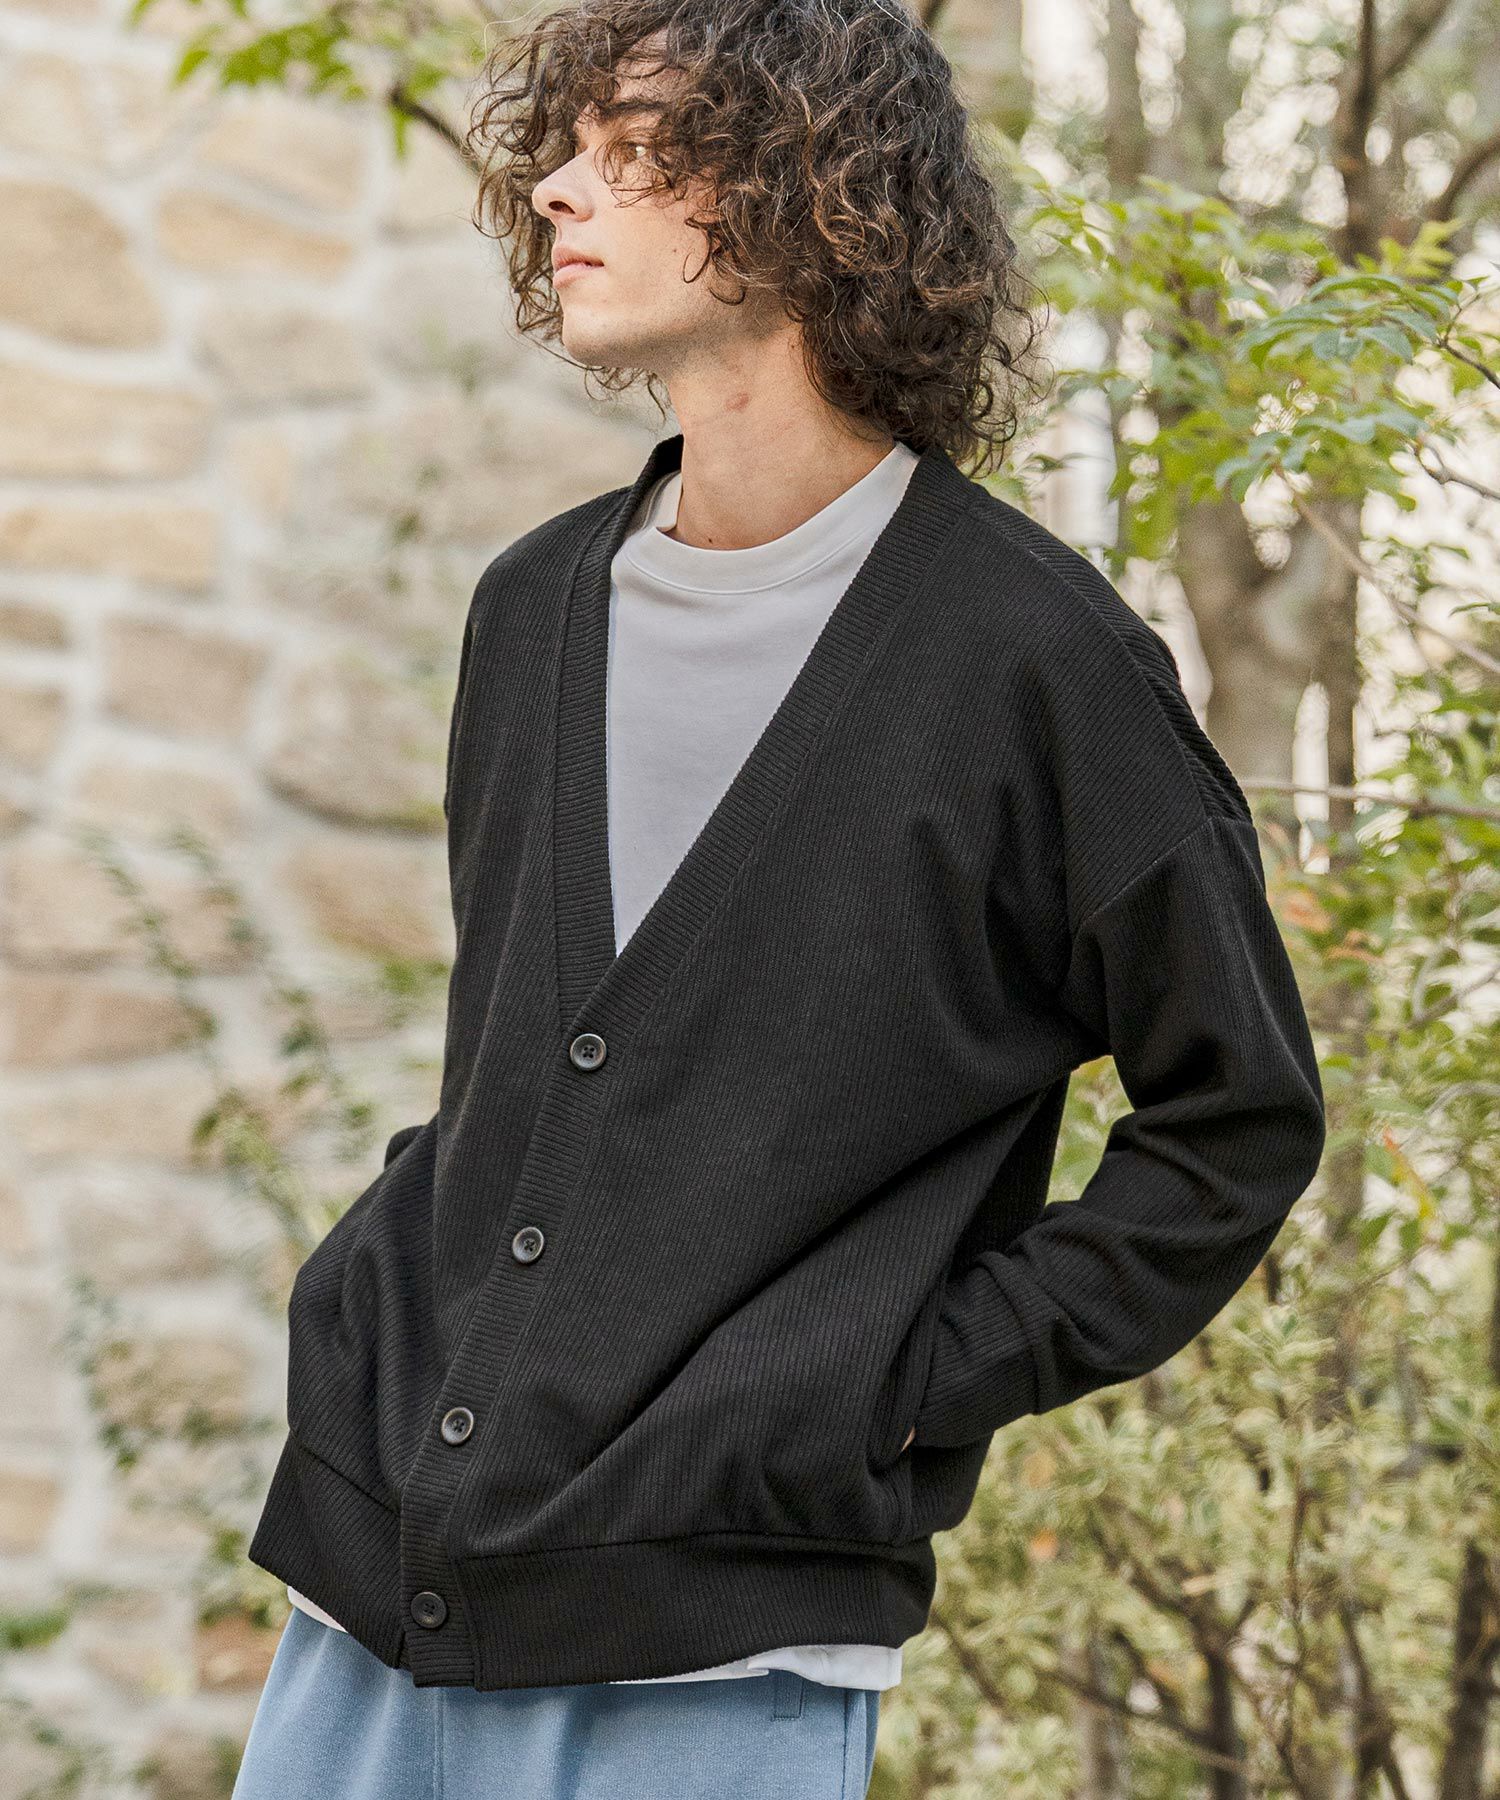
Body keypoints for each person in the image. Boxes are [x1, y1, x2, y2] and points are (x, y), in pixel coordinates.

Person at [232, 3, 1326, 1796]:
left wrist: (883, 1374)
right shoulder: (533, 610)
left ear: (812, 191)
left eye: (630, 150)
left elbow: (1240, 1124)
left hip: (719, 1642)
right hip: (373, 1591)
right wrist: (369, 1295)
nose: (557, 190)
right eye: (563, 151)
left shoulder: (1036, 666)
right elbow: (529, 1066)